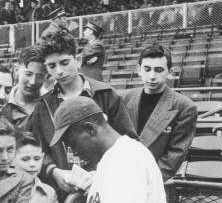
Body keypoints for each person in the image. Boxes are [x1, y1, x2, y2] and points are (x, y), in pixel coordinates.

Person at [23, 30, 137, 193]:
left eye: (64, 62)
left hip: (106, 187)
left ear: (77, 60)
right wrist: (53, 171)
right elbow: (36, 148)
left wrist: (103, 173)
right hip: (64, 192)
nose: (59, 71)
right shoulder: (43, 105)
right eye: (52, 66)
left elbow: (129, 141)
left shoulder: (105, 94)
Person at [120, 44, 197, 181]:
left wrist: (145, 182)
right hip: (119, 176)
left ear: (170, 71)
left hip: (151, 183)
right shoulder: (123, 98)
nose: (152, 76)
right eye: (147, 69)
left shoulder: (184, 107)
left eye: (159, 70)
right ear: (139, 70)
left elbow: (173, 157)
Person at [16, 131, 62, 203]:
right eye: (25, 159)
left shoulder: (49, 192)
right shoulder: (5, 191)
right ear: (12, 160)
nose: (33, 164)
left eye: (37, 159)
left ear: (42, 157)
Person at [2, 46, 47, 128]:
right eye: (28, 74)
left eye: (39, 76)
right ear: (16, 70)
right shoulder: (1, 103)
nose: (33, 82)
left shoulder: (53, 104)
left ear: (46, 77)